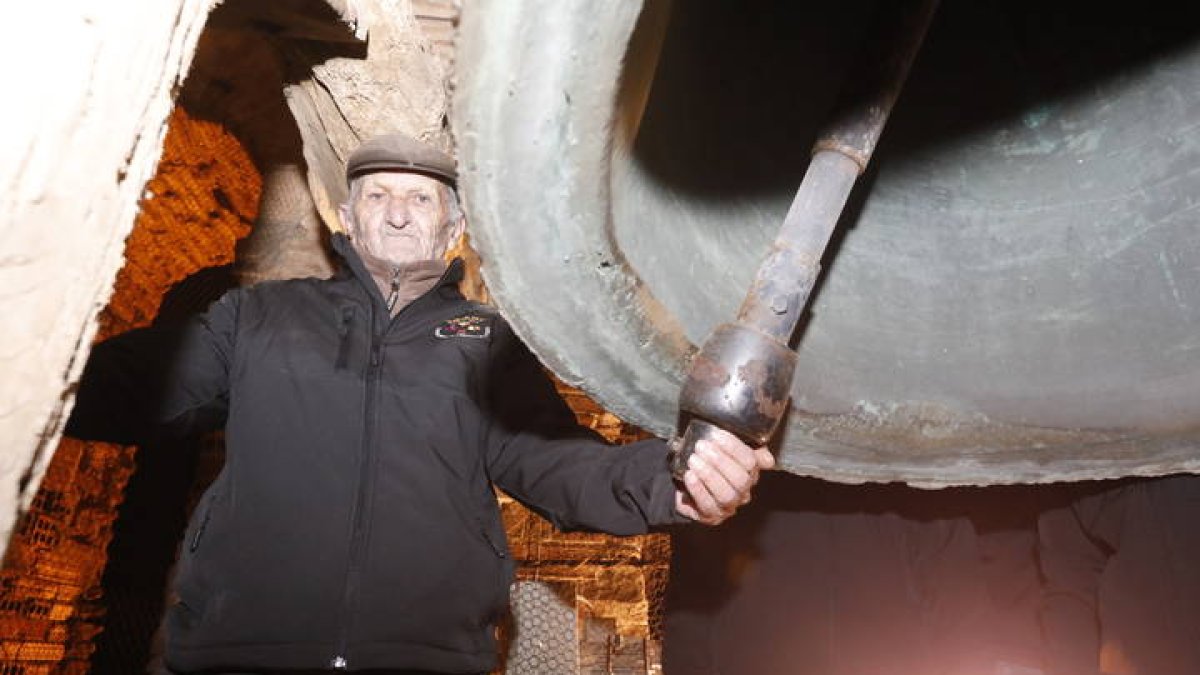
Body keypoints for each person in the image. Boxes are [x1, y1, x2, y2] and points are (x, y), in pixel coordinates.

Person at [67, 132, 773, 675]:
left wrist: (676, 480)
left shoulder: (485, 342)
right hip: (241, 653)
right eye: (377, 196)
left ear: (452, 228)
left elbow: (557, 465)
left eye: (421, 198)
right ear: (346, 217)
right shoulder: (258, 317)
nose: (399, 213)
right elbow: (137, 384)